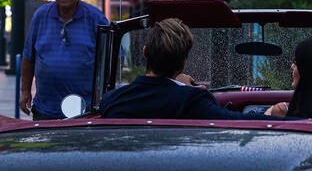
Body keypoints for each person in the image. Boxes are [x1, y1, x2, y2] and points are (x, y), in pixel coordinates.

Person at [99, 18, 293, 120]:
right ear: (184, 62)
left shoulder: (112, 101)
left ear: (144, 53)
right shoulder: (191, 101)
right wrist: (268, 114)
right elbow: (235, 121)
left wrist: (179, 87)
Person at [19, 0, 108, 120]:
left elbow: (114, 59)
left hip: (84, 111)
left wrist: (103, 97)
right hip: (45, 110)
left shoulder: (96, 18)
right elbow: (28, 57)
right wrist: (25, 91)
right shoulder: (41, 16)